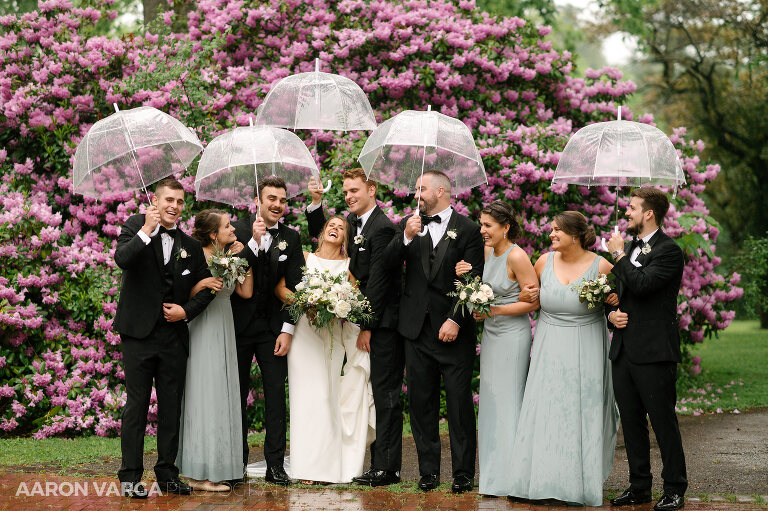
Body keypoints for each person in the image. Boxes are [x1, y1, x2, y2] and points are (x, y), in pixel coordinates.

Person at [381, 170, 484, 494]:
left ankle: (463, 472)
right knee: (421, 403)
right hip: (416, 331)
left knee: (458, 404)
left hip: (454, 332)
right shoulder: (410, 225)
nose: (416, 194)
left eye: (421, 188)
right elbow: (386, 266)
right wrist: (406, 237)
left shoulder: (468, 229)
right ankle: (428, 472)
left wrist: (456, 319)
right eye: (415, 188)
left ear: (441, 191)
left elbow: (474, 278)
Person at [507, 211, 618, 507]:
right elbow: (529, 297)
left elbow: (617, 306)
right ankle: (536, 482)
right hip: (548, 343)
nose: (551, 234)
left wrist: (614, 303)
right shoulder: (543, 261)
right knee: (545, 408)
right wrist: (528, 295)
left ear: (575, 235)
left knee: (580, 410)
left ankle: (577, 486)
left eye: (558, 230)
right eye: (552, 229)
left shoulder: (603, 266)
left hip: (588, 345)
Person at [113, 178, 215, 498]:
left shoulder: (192, 246)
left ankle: (167, 474)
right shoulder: (133, 226)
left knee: (171, 408)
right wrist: (146, 231)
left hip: (173, 338)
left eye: (180, 202)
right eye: (168, 200)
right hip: (138, 335)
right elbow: (122, 259)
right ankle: (130, 477)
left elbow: (208, 285)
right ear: (155, 202)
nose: (174, 206)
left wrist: (186, 311)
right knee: (137, 406)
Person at [306, 167, 404, 487]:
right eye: (346, 191)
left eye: (354, 191)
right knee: (367, 391)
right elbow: (324, 239)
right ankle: (376, 464)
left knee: (383, 394)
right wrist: (316, 205)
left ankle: (387, 467)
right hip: (363, 321)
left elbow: (378, 283)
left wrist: (366, 326)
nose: (348, 196)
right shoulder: (354, 223)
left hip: (381, 324)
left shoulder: (383, 228)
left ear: (371, 189)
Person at [276, 216, 375, 483]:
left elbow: (356, 300)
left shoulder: (348, 266)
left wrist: (336, 306)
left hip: (331, 337)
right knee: (303, 398)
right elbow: (281, 288)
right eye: (331, 225)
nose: (335, 228)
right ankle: (305, 467)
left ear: (345, 238)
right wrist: (306, 301)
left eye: (341, 228)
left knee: (325, 395)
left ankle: (325, 464)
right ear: (322, 232)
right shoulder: (305, 258)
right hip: (303, 336)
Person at [606, 187, 687, 511]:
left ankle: (674, 488)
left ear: (649, 213)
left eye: (633, 207)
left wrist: (619, 256)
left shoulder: (669, 251)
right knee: (631, 422)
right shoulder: (631, 248)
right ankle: (639, 486)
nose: (627, 212)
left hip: (655, 352)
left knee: (663, 422)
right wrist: (611, 313)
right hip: (624, 351)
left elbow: (643, 284)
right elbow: (616, 293)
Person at [454, 200, 539, 496]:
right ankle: (493, 478)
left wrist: (497, 312)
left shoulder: (518, 256)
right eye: (481, 224)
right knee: (491, 402)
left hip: (513, 335)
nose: (482, 230)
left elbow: (534, 301)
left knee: (509, 401)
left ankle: (514, 478)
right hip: (490, 336)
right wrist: (466, 273)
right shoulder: (486, 252)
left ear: (505, 228)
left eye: (488, 225)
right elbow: (478, 286)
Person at [230, 176, 304, 486]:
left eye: (282, 200)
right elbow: (227, 273)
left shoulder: (292, 237)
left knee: (276, 395)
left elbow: (298, 287)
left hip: (273, 329)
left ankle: (276, 465)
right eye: (271, 198)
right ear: (257, 200)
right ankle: (237, 464)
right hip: (238, 328)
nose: (277, 204)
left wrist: (287, 330)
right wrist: (252, 243)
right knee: (236, 396)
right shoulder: (237, 229)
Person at [177, 209, 253, 491]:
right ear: (213, 234)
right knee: (204, 394)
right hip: (203, 327)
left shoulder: (227, 258)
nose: (233, 229)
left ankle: (217, 468)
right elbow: (182, 290)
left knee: (221, 394)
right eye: (227, 226)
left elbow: (245, 292)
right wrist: (203, 282)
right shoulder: (197, 256)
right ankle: (200, 473)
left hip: (224, 326)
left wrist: (243, 259)